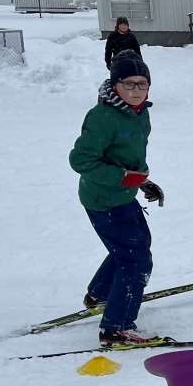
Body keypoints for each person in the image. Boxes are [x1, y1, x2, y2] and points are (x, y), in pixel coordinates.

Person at [68, 50, 166, 346]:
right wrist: (124, 178)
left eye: (142, 84)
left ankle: (99, 294)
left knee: (135, 247)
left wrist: (142, 180)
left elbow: (127, 156)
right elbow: (80, 161)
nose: (136, 90)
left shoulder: (139, 112)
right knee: (135, 260)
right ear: (115, 85)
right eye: (129, 84)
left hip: (123, 194)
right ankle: (116, 327)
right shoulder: (102, 117)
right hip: (103, 199)